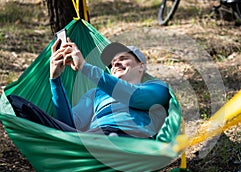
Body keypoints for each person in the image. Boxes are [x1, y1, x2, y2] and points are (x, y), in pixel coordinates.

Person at [8, 38, 170, 139]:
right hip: (90, 139)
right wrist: (55, 80)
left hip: (129, 139)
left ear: (141, 66)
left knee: (108, 139)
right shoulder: (96, 94)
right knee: (17, 103)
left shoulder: (157, 87)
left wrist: (85, 67)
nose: (116, 64)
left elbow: (135, 97)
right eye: (112, 64)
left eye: (123, 58)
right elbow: (72, 124)